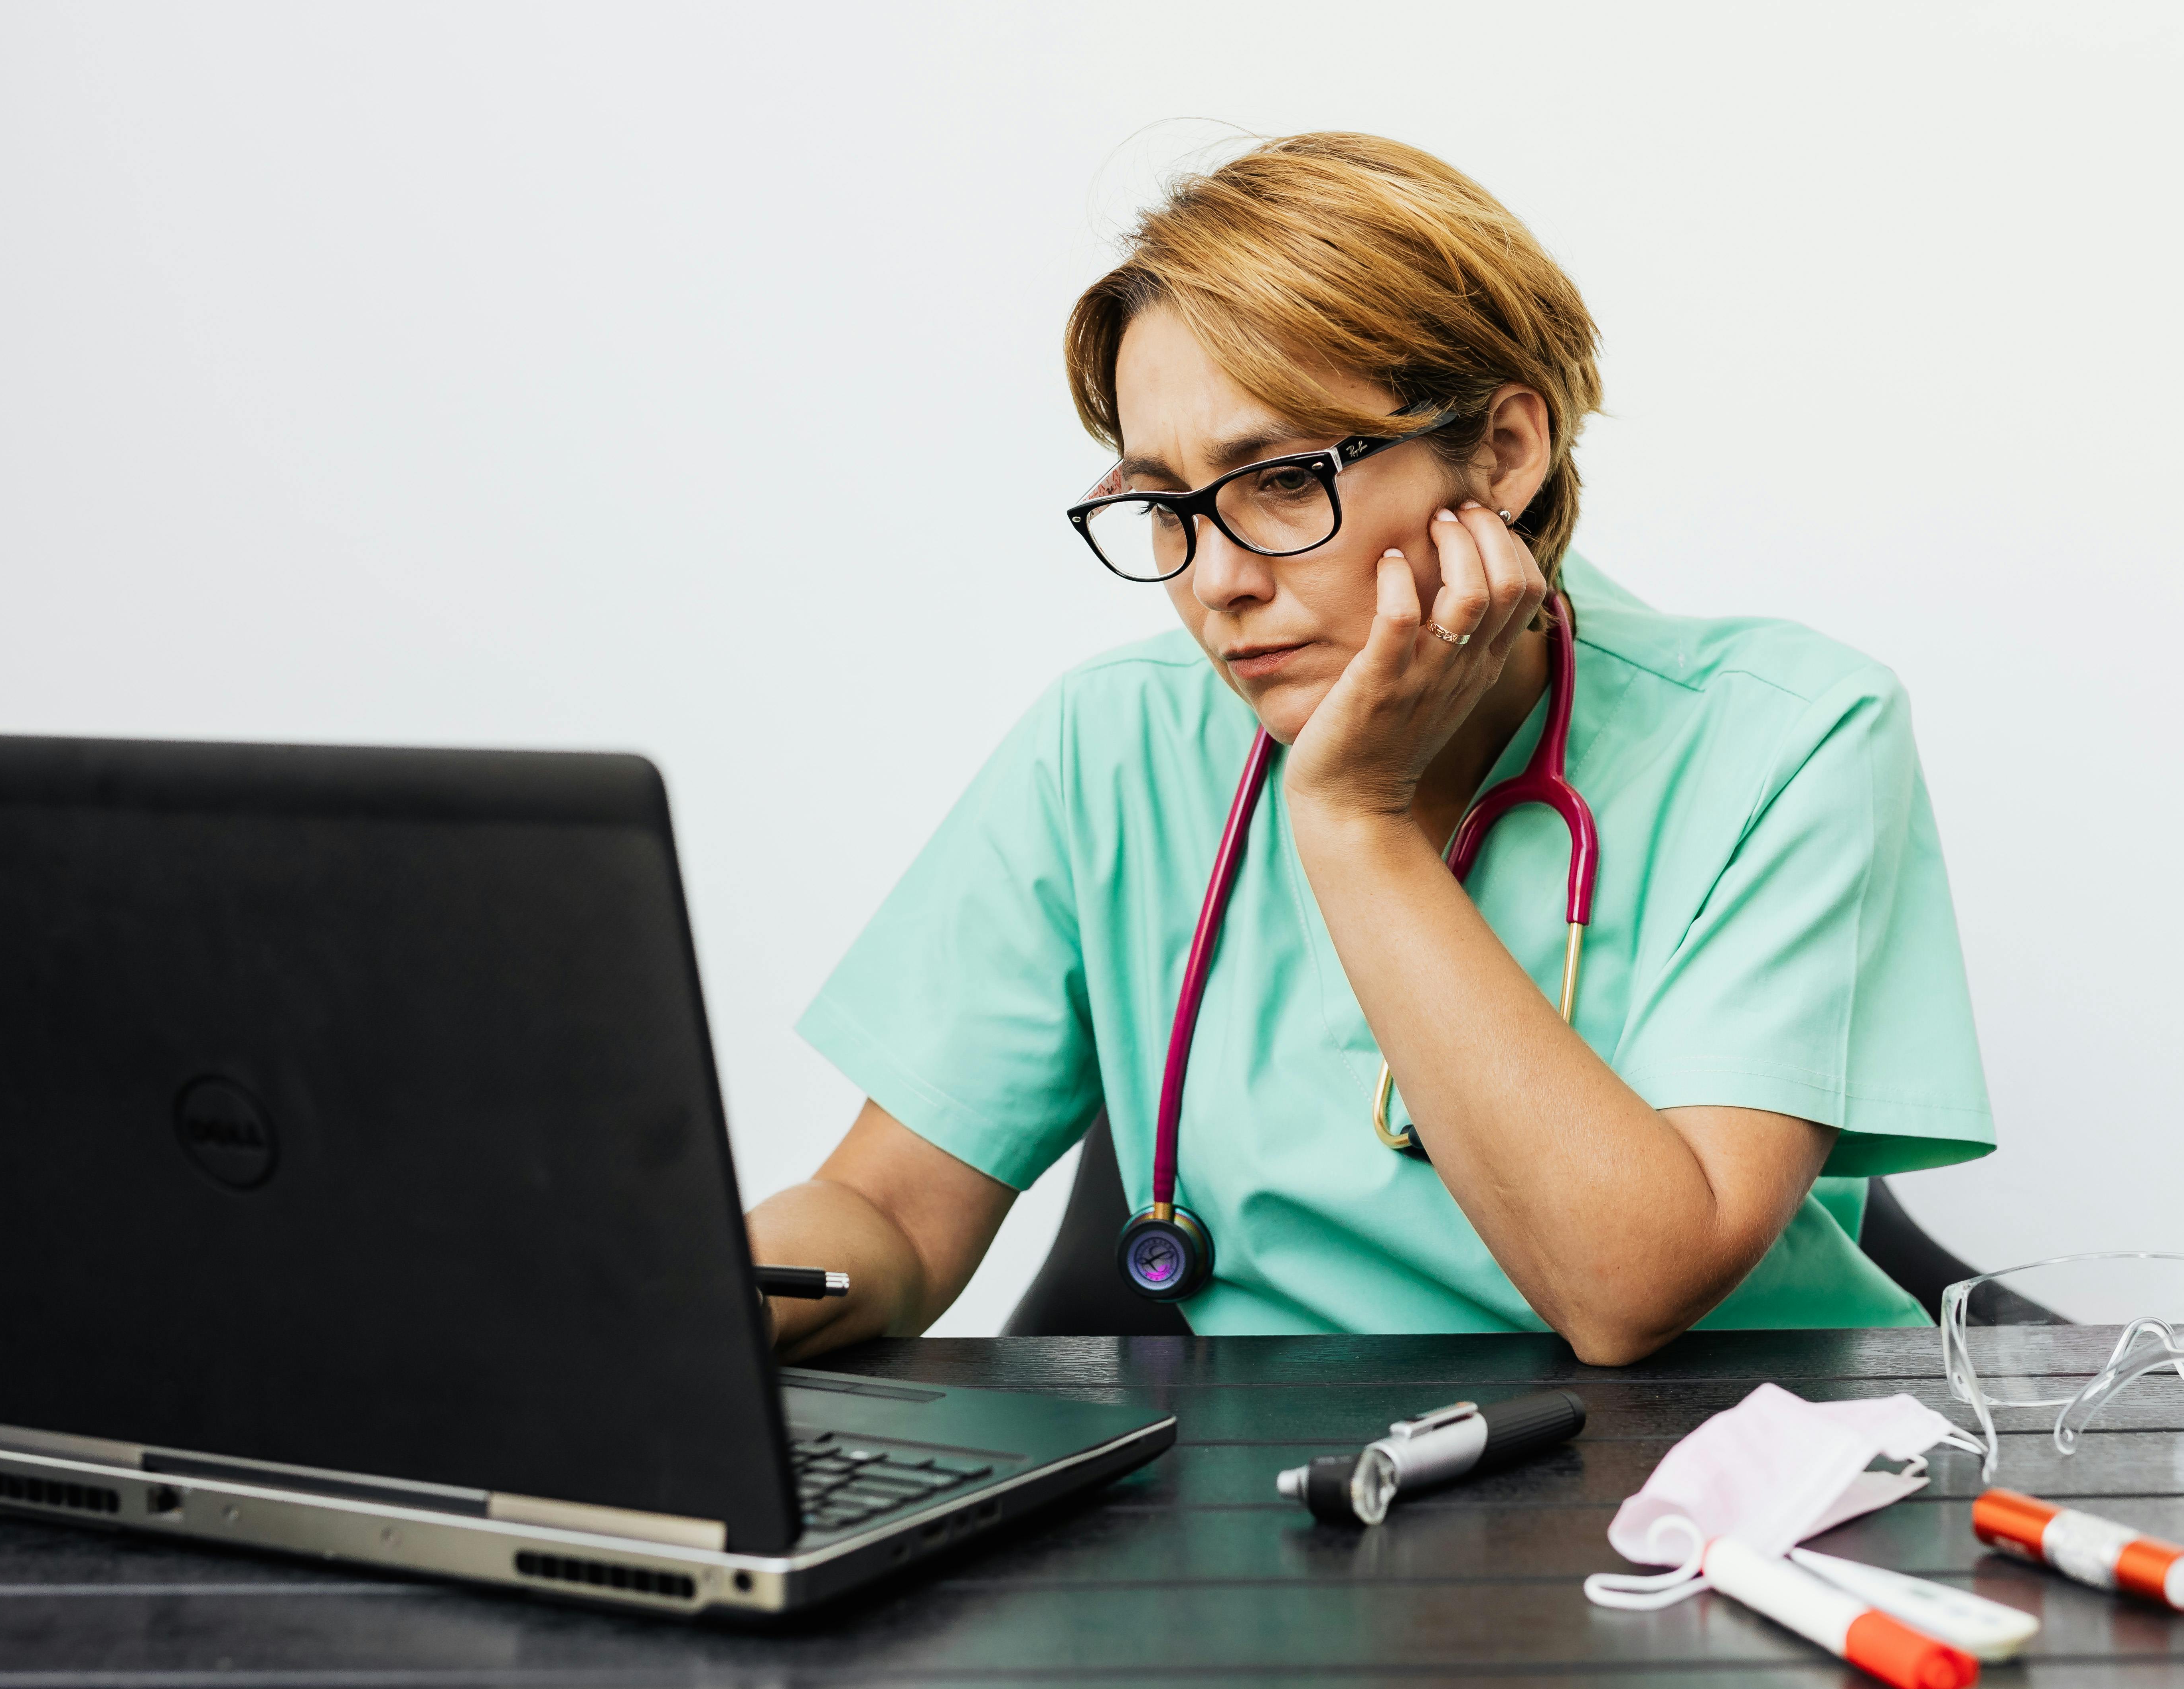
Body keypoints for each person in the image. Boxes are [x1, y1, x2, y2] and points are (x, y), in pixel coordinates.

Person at [754, 133, 1992, 1366]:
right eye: (1163, 507)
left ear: (1505, 453)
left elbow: (1629, 1295)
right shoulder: (1113, 743)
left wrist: (1355, 818)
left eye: (1285, 480)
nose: (1219, 582)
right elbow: (891, 1212)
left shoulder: (1790, 736)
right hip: (1283, 1506)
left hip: (1716, 1483)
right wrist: (673, 1310)